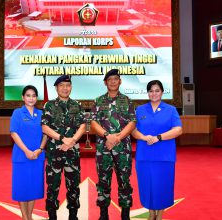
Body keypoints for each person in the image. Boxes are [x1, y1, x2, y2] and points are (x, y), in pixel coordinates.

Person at [131, 80, 183, 220]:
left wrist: (159, 137)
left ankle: (160, 213)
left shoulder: (171, 110)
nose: (154, 93)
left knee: (162, 185)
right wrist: (143, 137)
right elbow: (133, 130)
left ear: (162, 92)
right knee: (147, 185)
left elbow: (178, 130)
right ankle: (151, 211)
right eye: (151, 91)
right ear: (148, 93)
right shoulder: (140, 110)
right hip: (144, 156)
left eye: (157, 90)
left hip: (164, 156)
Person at [90, 69, 136, 220]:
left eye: (116, 79)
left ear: (120, 81)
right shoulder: (98, 101)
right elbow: (93, 123)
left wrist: (117, 138)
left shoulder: (127, 101)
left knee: (124, 181)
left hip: (123, 148)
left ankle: (125, 214)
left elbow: (132, 122)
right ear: (105, 83)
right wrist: (107, 136)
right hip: (104, 149)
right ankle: (104, 214)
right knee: (103, 181)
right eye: (110, 79)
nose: (113, 81)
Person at [41, 75, 86, 220]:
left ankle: (73, 215)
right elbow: (44, 127)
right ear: (56, 88)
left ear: (71, 87)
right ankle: (52, 215)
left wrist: (71, 141)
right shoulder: (49, 105)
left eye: (67, 85)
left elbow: (83, 126)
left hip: (72, 152)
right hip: (55, 151)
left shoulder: (77, 105)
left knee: (73, 185)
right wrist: (62, 139)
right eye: (62, 85)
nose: (65, 88)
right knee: (53, 185)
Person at [10, 85, 47, 220]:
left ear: (36, 98)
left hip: (37, 157)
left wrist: (40, 149)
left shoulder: (41, 114)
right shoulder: (17, 113)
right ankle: (25, 218)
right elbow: (14, 133)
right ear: (23, 97)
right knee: (22, 189)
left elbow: (45, 134)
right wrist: (26, 151)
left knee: (33, 188)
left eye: (33, 95)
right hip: (22, 157)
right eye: (28, 95)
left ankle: (29, 216)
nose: (31, 98)